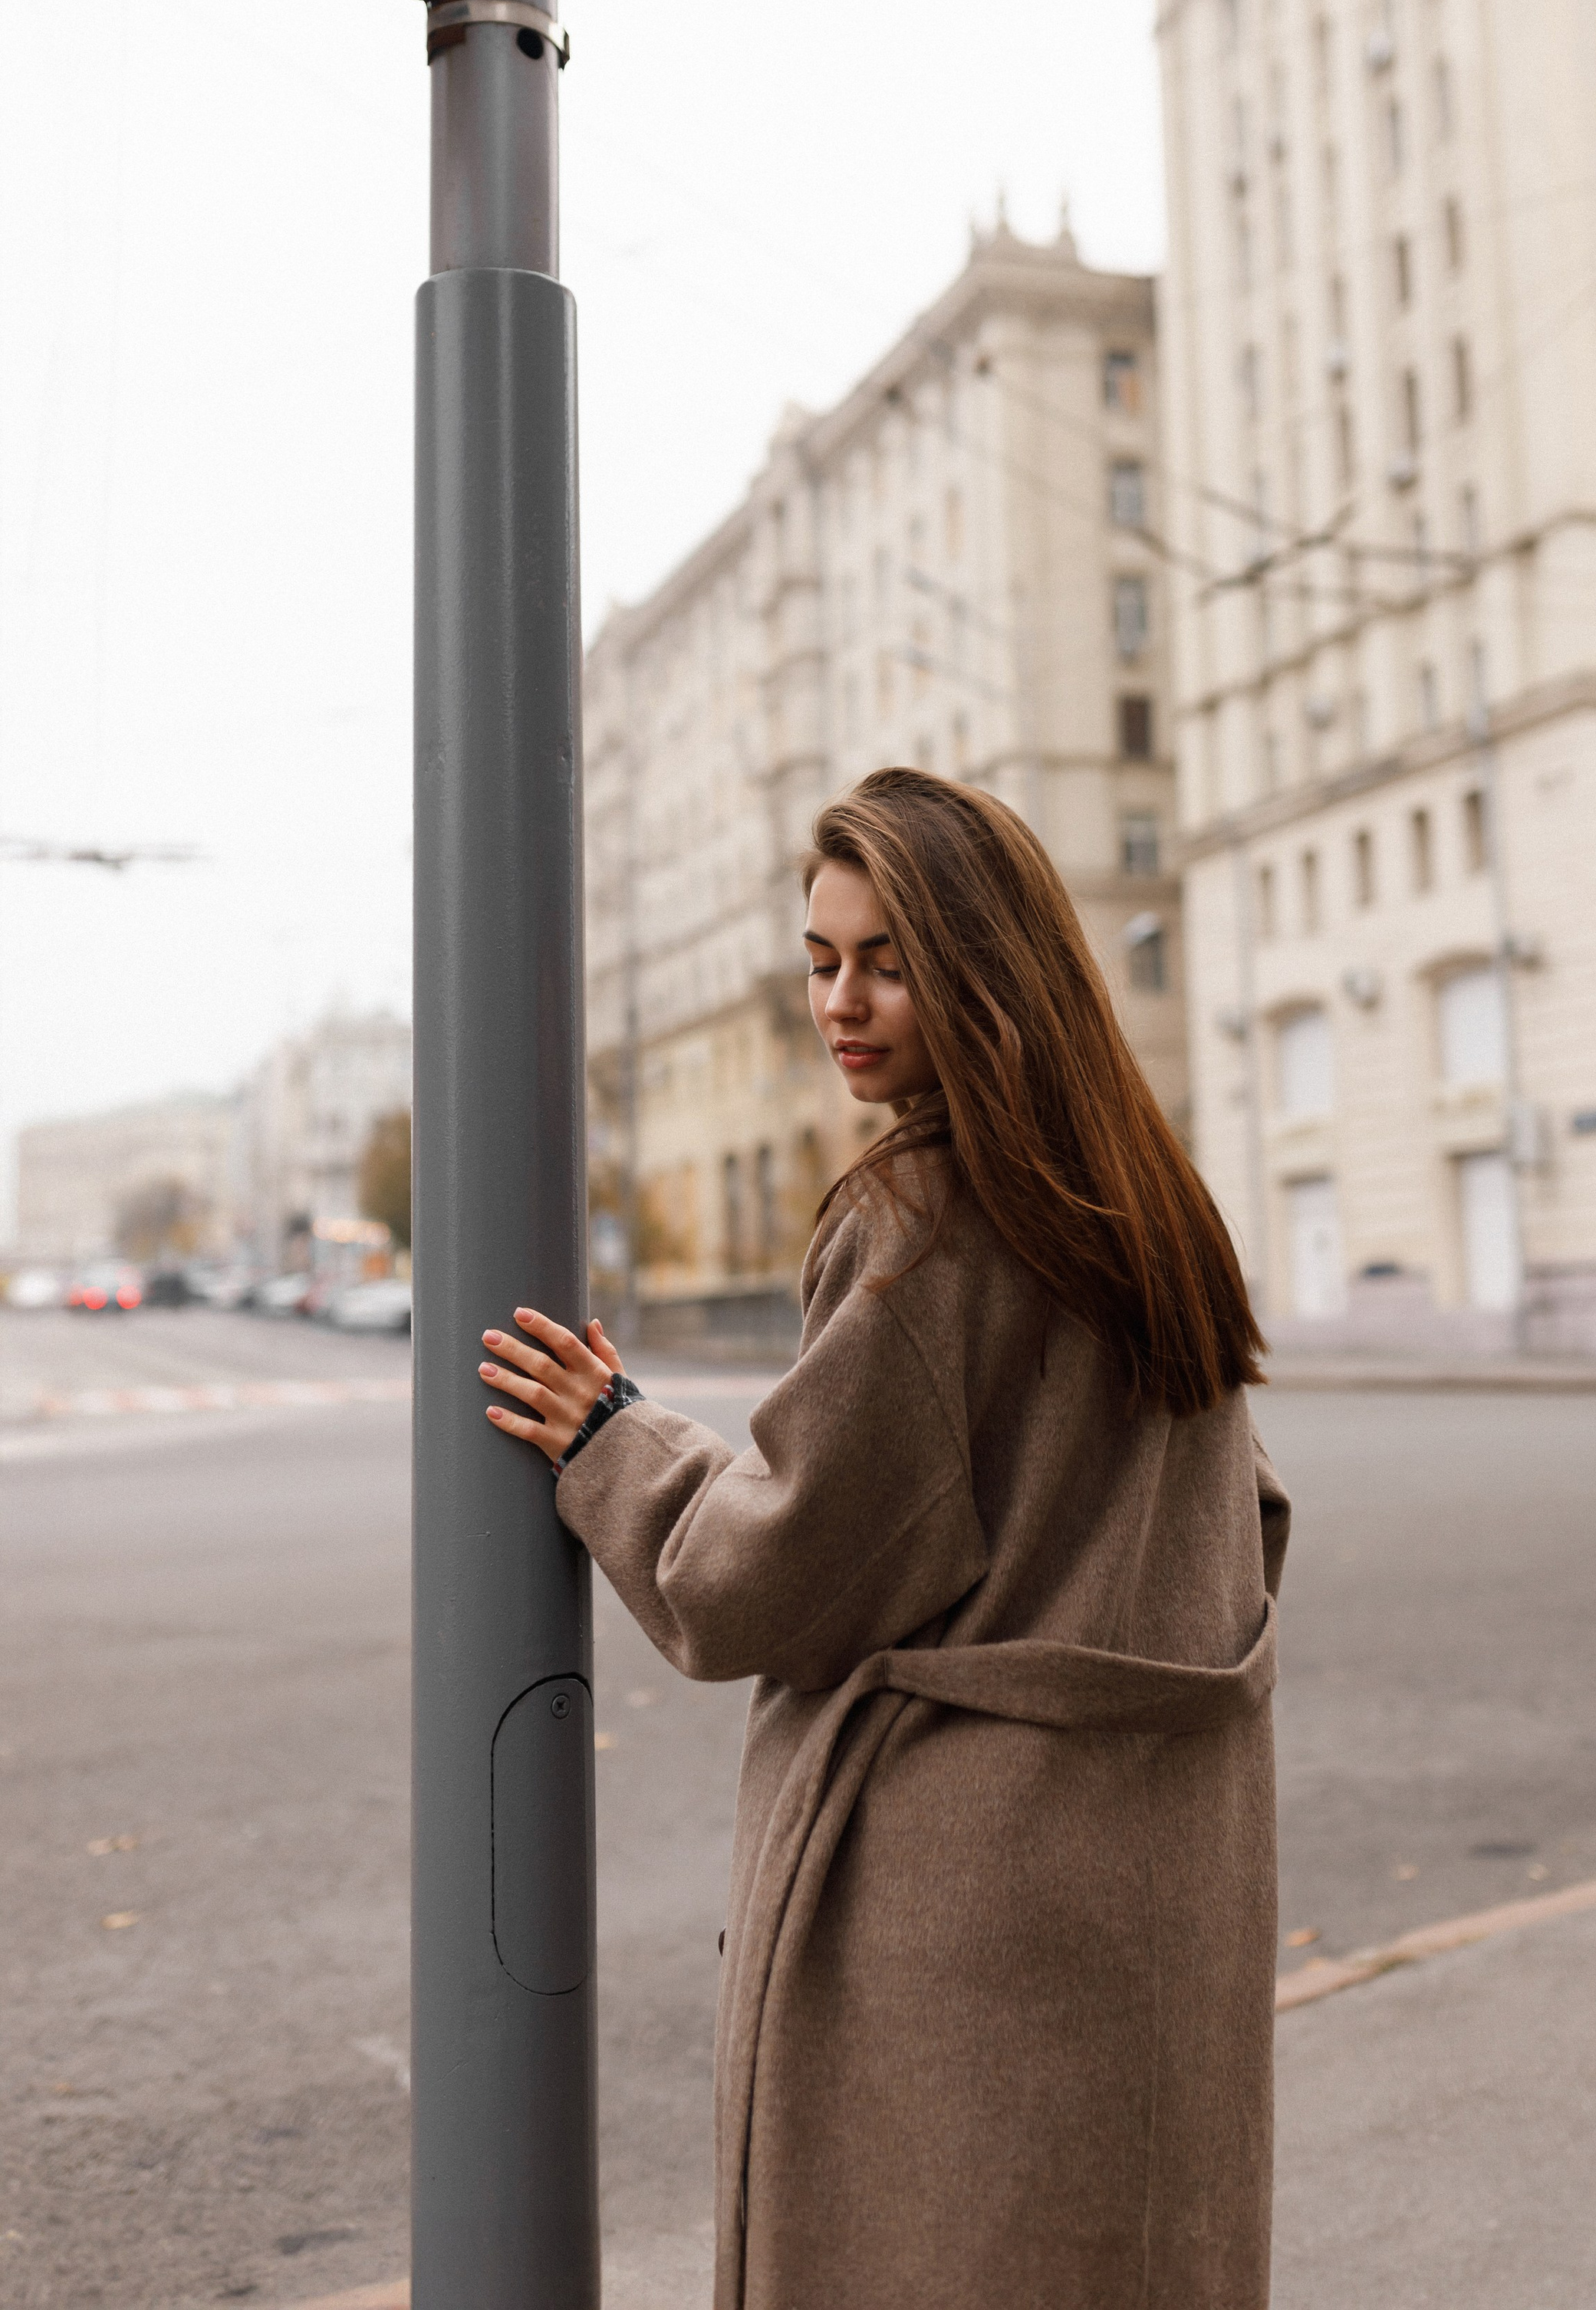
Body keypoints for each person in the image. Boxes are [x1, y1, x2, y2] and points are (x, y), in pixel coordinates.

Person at [479, 766, 1290, 2310]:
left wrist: (608, 1439)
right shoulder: (1146, 1194)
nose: (840, 1001)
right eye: (818, 958)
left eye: (887, 959)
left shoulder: (920, 1213)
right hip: (1152, 1887)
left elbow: (754, 1581)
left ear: (984, 965)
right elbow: (1239, 1512)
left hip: (967, 1910)